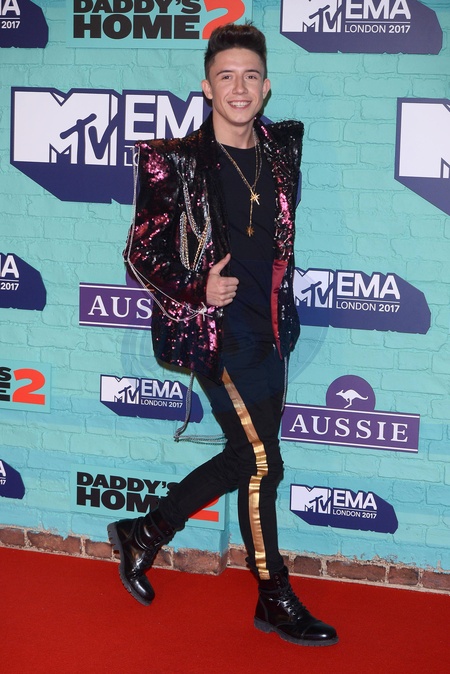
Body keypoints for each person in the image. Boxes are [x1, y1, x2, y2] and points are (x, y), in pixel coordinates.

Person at [107, 22, 338, 647]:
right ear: (207, 87)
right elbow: (140, 252)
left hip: (273, 330)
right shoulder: (174, 160)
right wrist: (195, 288)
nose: (240, 87)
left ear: (267, 87)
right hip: (217, 333)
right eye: (226, 76)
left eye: (251, 76)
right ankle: (274, 597)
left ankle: (145, 532)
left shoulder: (282, 149)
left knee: (247, 458)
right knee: (263, 463)